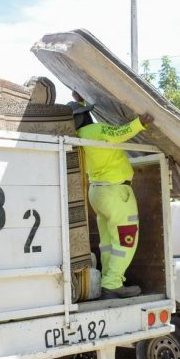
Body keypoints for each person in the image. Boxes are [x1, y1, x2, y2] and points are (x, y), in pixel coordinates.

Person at [66, 90, 154, 299]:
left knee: (107, 241)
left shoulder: (79, 136)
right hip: (116, 193)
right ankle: (113, 283)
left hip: (97, 192)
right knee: (125, 241)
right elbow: (118, 134)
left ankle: (107, 280)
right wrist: (140, 123)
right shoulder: (95, 131)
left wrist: (83, 99)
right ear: (85, 116)